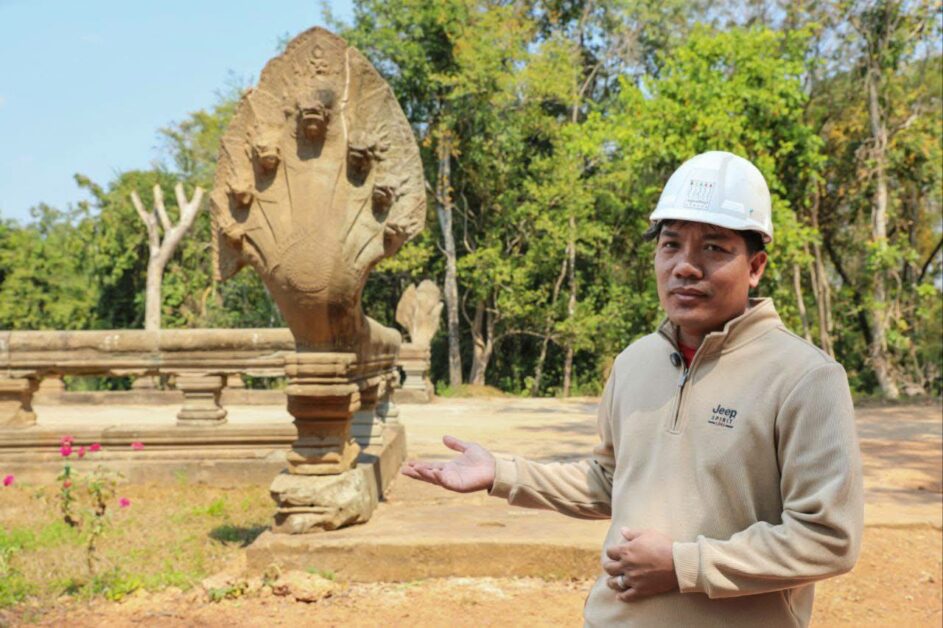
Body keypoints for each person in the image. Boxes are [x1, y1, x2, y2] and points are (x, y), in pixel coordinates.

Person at [402, 151, 863, 627]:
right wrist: (501, 472)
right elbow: (610, 481)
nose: (685, 266)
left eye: (714, 248)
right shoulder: (634, 362)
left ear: (756, 266)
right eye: (671, 245)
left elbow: (828, 538)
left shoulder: (805, 378)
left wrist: (683, 566)